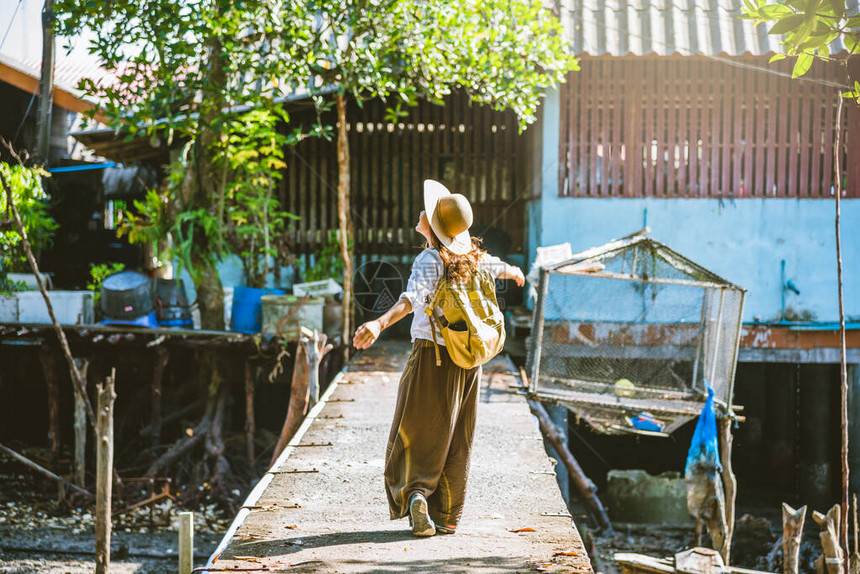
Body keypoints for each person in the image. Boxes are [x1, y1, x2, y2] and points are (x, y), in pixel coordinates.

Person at [352, 179, 525, 537]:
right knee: (458, 434)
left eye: (427, 211)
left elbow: (410, 299)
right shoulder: (473, 259)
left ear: (432, 224)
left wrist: (378, 324)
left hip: (431, 356)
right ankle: (446, 515)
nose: (421, 212)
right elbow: (498, 266)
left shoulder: (429, 259)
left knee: (414, 428)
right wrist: (515, 271)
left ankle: (416, 493)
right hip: (468, 359)